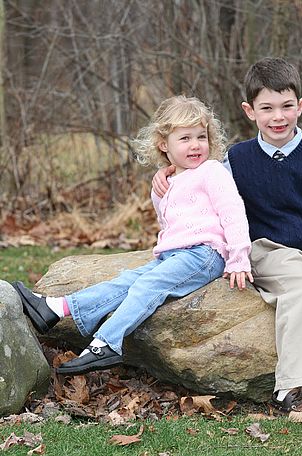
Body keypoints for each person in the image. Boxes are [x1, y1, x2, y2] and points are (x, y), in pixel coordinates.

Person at [153, 58, 302, 422]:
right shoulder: (236, 160)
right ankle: (295, 391)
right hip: (269, 251)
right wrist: (168, 169)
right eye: (266, 108)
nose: (278, 117)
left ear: (300, 105)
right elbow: (202, 186)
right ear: (249, 111)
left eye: (287, 106)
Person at [13, 95, 253, 376]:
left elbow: (232, 211)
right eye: (185, 138)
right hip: (174, 255)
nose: (196, 145)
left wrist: (238, 258)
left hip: (205, 254)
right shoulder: (167, 180)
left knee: (148, 285)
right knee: (126, 281)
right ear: (164, 144)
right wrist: (162, 182)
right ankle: (55, 308)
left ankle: (107, 343)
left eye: (201, 136)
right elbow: (168, 222)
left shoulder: (211, 171)